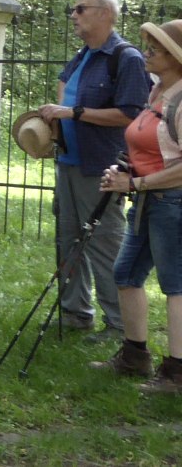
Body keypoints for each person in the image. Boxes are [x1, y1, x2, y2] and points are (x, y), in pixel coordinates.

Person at [39, 0, 149, 340]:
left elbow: (132, 113)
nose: (73, 15)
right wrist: (58, 118)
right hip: (69, 160)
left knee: (103, 243)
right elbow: (63, 83)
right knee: (68, 239)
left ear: (105, 13)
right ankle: (75, 312)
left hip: (101, 165)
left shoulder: (126, 57)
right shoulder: (84, 54)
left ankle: (118, 324)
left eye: (80, 9)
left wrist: (75, 112)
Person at [93, 20, 182, 392]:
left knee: (176, 286)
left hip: (172, 203)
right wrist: (127, 169)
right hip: (149, 200)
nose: (145, 54)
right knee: (126, 273)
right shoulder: (157, 92)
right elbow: (150, 147)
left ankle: (177, 374)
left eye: (154, 49)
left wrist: (136, 182)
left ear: (176, 58)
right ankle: (134, 357)